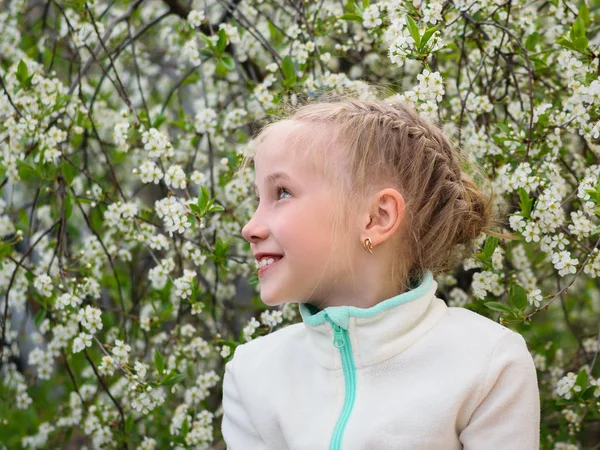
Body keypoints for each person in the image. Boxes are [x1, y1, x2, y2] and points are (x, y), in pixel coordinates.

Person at [221, 93, 540, 449]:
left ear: (378, 218)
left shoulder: (488, 363)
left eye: (282, 193)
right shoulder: (253, 375)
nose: (250, 227)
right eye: (257, 198)